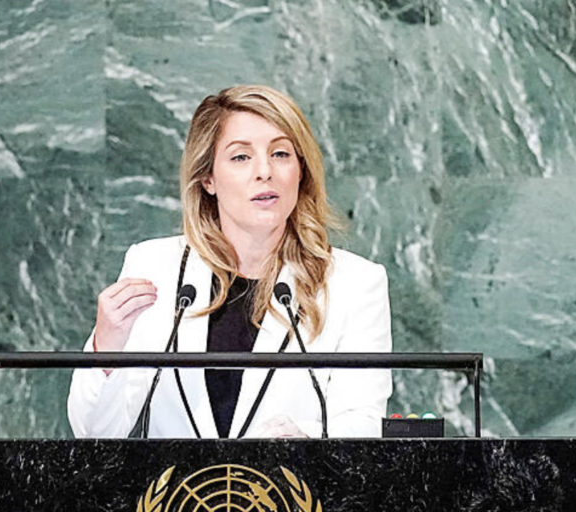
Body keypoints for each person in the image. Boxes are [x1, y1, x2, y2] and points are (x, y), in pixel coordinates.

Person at [67, 85, 391, 439]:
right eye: (241, 157)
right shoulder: (155, 267)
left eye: (281, 153)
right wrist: (107, 346)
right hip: (179, 479)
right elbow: (94, 434)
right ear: (208, 178)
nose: (264, 171)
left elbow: (364, 420)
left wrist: (303, 437)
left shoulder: (355, 282)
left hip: (291, 476)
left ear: (301, 170)